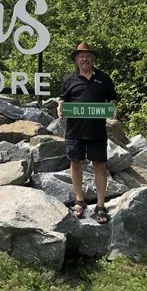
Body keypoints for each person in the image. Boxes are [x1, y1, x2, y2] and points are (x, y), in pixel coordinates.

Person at [57, 42, 117, 224]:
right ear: (76, 59)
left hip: (97, 131)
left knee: (99, 165)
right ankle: (79, 201)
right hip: (75, 131)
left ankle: (100, 205)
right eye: (81, 56)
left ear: (93, 58)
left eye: (88, 56)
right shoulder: (69, 80)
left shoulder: (104, 79)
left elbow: (112, 99)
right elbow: (62, 100)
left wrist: (113, 108)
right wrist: (59, 106)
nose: (85, 59)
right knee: (75, 163)